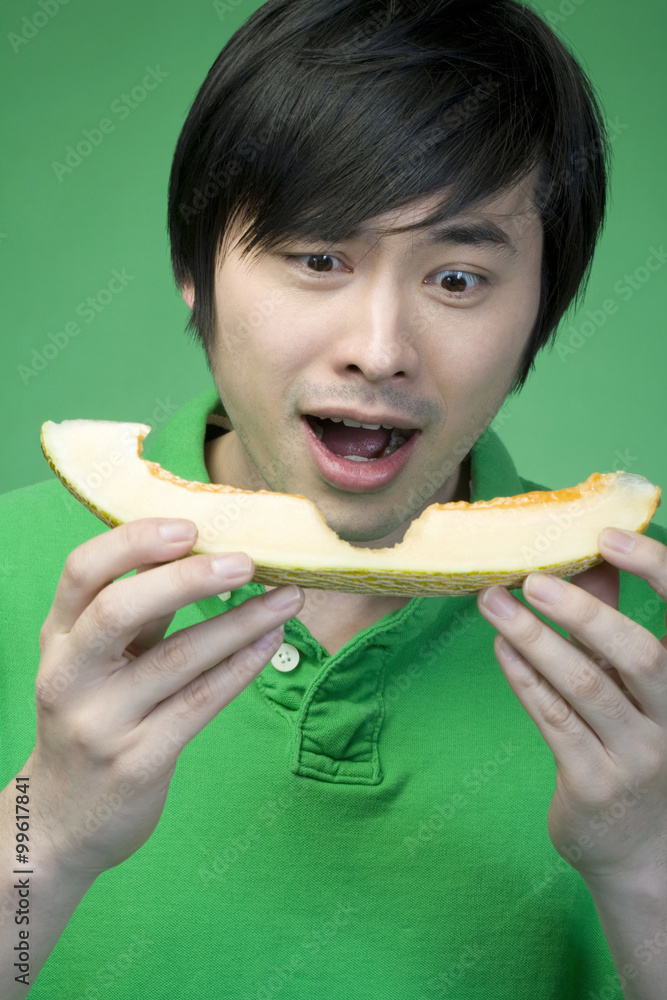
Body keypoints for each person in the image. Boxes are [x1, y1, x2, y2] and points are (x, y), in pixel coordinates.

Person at [1, 1, 666, 997]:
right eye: (318, 259)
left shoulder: (646, 633)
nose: (382, 348)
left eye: (456, 276)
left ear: (542, 310)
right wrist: (39, 838)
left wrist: (645, 867)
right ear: (195, 269)